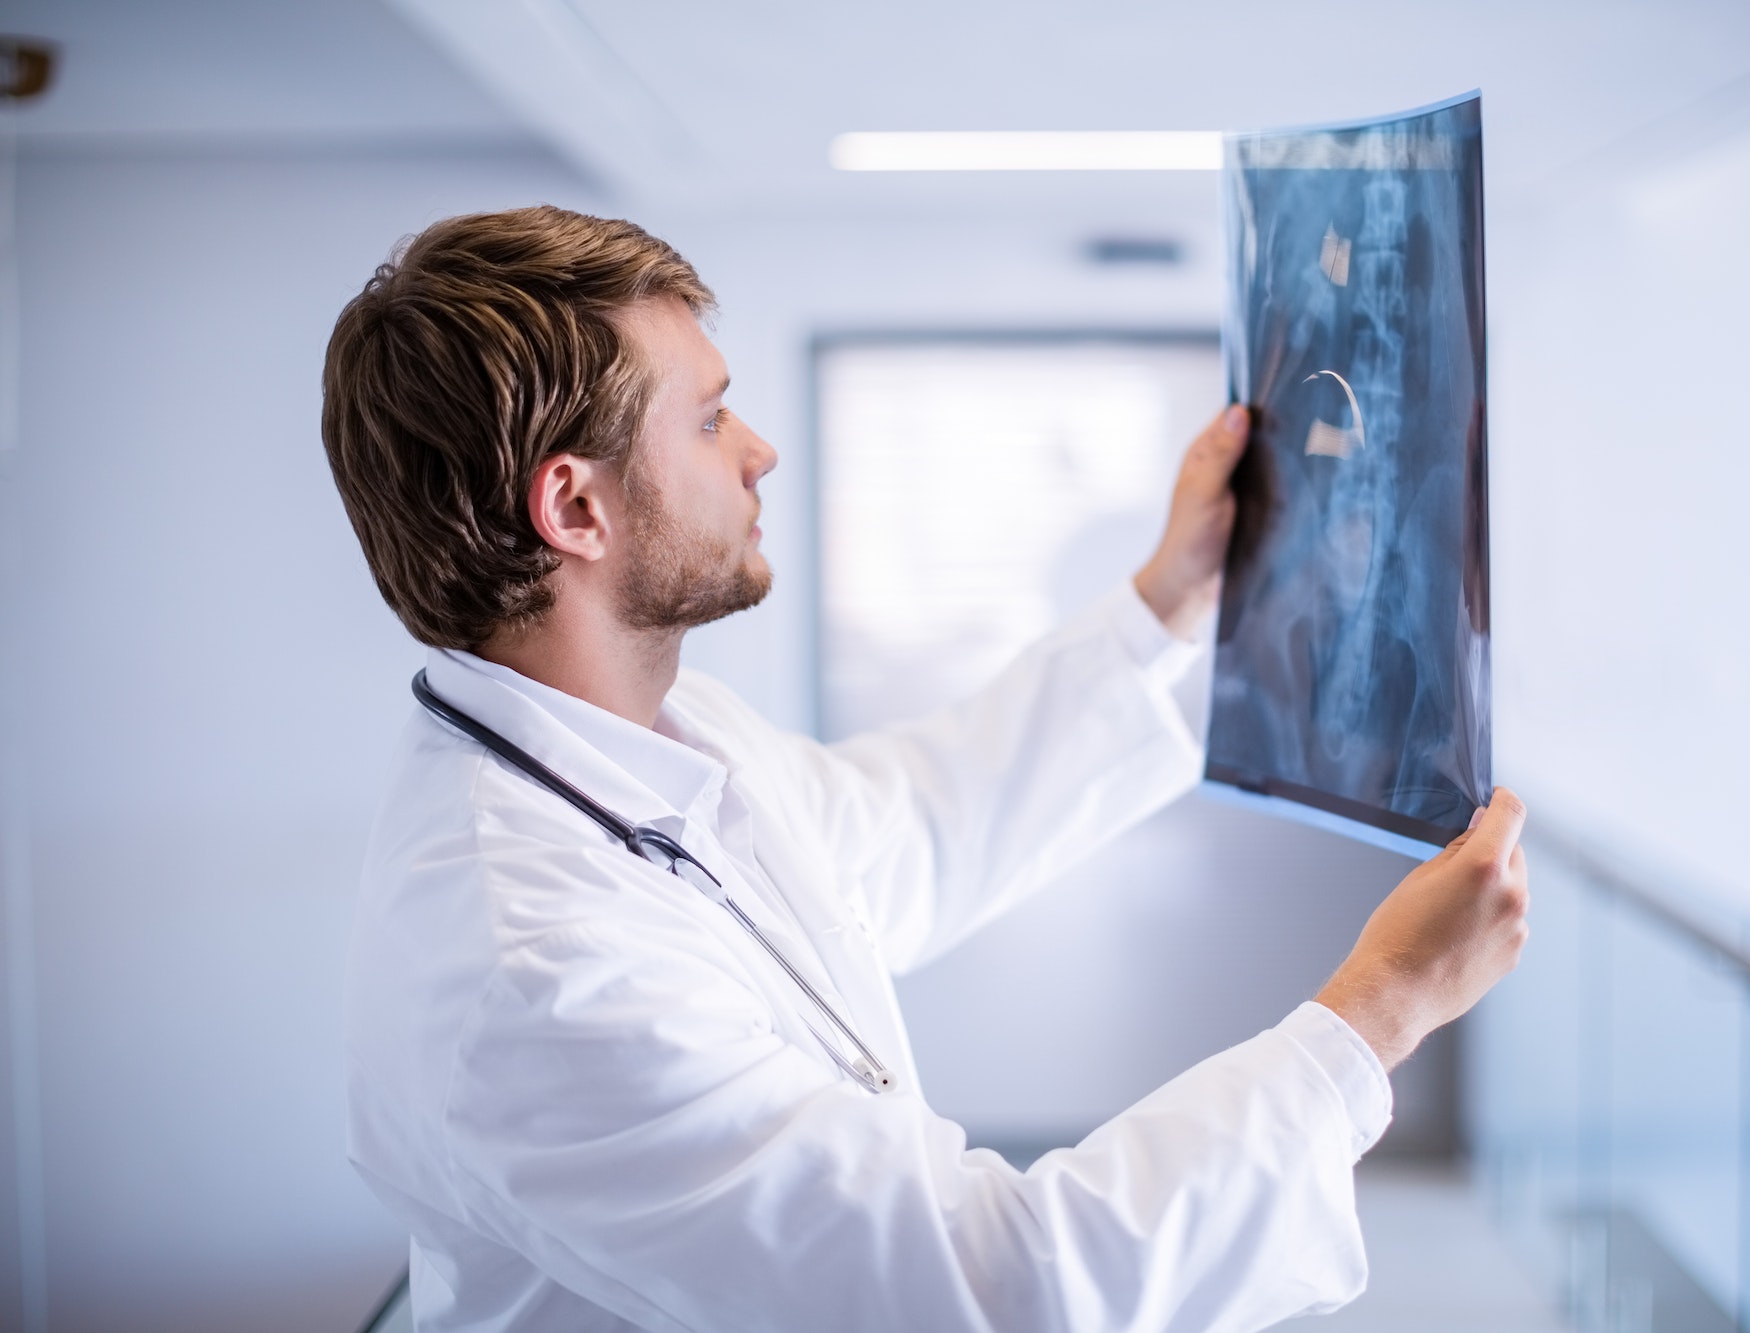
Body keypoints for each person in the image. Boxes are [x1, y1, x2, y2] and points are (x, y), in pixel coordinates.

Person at [324, 205, 1529, 1333]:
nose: (759, 449)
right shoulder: (534, 971)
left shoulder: (657, 735)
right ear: (575, 509)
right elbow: (996, 1290)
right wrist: (1380, 1007)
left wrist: (1171, 596)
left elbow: (911, 826)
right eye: (705, 419)